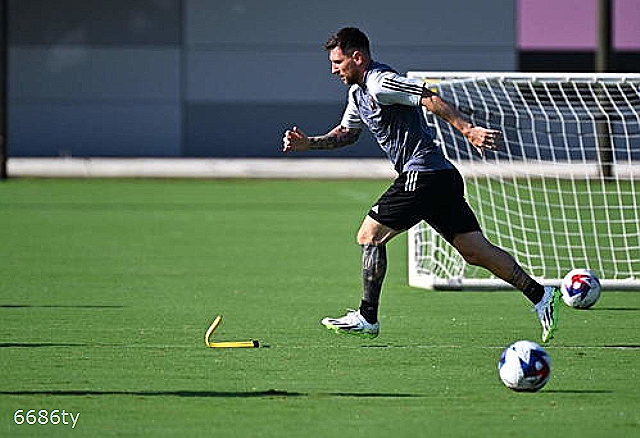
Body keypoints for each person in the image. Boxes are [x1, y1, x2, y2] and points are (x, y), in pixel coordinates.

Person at [282, 27, 560, 343]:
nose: (333, 69)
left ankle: (367, 317)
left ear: (357, 57)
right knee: (475, 251)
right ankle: (540, 294)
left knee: (369, 236)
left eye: (338, 62)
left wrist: (468, 130)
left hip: (424, 175)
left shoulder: (380, 82)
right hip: (440, 178)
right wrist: (309, 144)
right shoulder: (357, 93)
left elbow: (428, 97)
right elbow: (347, 133)